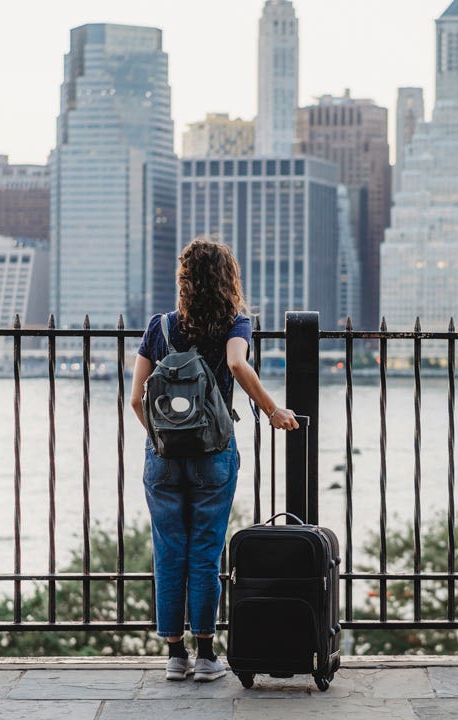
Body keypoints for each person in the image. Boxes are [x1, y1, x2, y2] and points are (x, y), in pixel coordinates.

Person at [131, 238, 299, 682]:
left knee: (168, 551)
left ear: (184, 280)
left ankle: (173, 655)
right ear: (228, 279)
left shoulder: (160, 327)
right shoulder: (234, 323)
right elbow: (238, 366)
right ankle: (206, 655)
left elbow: (134, 400)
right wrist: (273, 410)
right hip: (213, 455)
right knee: (205, 551)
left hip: (163, 458)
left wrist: (164, 440)